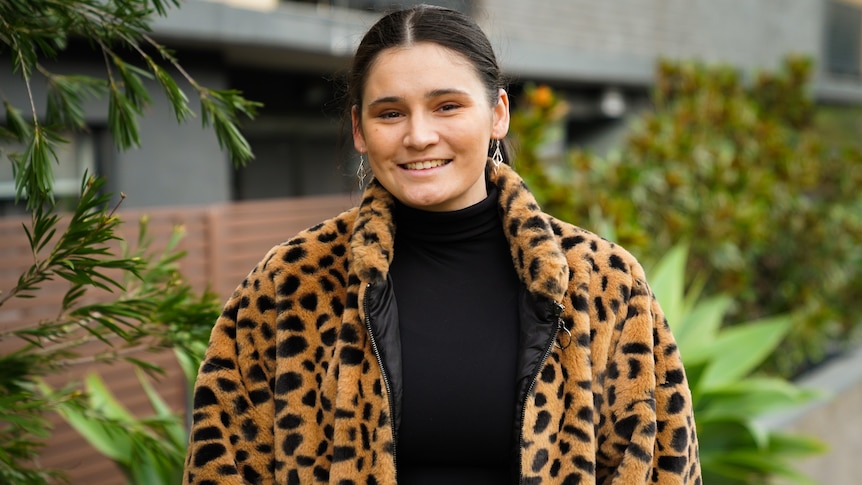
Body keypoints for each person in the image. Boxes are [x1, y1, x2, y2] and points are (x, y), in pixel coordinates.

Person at [182, 4, 701, 485]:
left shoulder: (600, 280)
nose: (419, 135)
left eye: (447, 106)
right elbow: (223, 465)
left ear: (497, 113)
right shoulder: (291, 281)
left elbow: (660, 466)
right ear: (359, 129)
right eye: (390, 113)